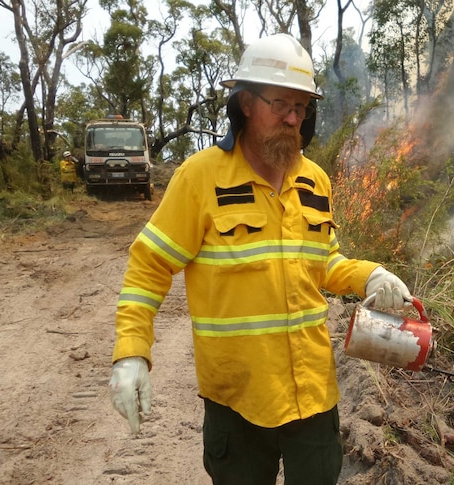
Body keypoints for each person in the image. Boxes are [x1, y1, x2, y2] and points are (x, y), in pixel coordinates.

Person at [108, 33, 412, 485]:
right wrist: (131, 353)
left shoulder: (315, 182)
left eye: (302, 108)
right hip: (238, 399)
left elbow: (323, 261)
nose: (293, 119)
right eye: (281, 105)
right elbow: (148, 266)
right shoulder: (201, 177)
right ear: (246, 103)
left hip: (313, 393)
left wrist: (371, 274)